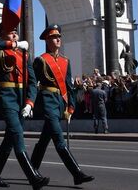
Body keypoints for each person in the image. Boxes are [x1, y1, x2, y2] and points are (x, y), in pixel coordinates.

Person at [30, 24, 94, 185]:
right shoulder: (41, 60)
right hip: (47, 101)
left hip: (60, 102)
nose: (58, 39)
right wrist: (29, 102)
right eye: (53, 37)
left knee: (45, 138)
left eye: (58, 36)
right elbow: (32, 83)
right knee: (59, 139)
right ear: (47, 40)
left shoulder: (66, 61)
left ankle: (31, 169)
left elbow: (69, 85)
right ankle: (77, 173)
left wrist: (71, 106)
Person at [0, 24, 49, 189]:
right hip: (7, 97)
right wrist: (15, 45)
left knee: (9, 140)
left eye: (16, 32)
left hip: (22, 99)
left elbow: (33, 81)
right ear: (1, 34)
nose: (14, 34)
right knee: (17, 136)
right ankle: (33, 177)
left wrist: (30, 102)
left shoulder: (24, 54)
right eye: (10, 31)